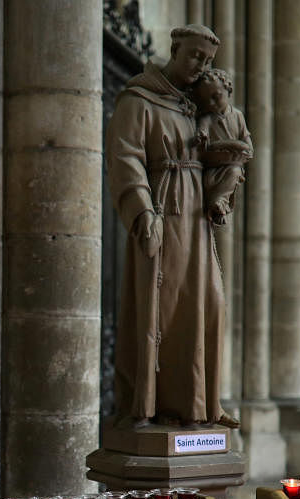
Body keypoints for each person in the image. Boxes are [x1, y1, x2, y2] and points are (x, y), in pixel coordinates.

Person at [106, 24, 238, 429]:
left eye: (208, 61)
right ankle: (145, 408)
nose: (201, 66)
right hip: (163, 213)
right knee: (157, 312)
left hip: (196, 219)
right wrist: (142, 210)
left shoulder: (194, 105)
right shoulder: (139, 99)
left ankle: (198, 406)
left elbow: (220, 149)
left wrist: (223, 185)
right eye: (195, 56)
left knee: (207, 306)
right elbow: (126, 155)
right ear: (175, 49)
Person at [192, 67, 253, 226]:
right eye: (207, 100)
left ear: (228, 90)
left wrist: (240, 147)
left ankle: (219, 203)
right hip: (211, 170)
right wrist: (201, 136)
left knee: (235, 171)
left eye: (216, 97)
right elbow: (201, 135)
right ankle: (216, 204)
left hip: (231, 167)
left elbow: (248, 148)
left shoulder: (237, 116)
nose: (212, 103)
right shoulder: (207, 119)